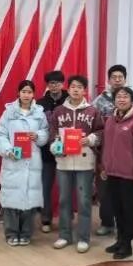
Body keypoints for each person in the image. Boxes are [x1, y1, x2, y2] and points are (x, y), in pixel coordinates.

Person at [49, 75, 104, 253]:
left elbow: (101, 131)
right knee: (64, 200)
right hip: (63, 162)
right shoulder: (58, 111)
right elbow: (52, 133)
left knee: (84, 201)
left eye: (79, 87)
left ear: (84, 90)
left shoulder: (92, 111)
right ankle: (65, 235)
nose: (75, 89)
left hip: (84, 162)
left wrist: (90, 139)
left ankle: (83, 238)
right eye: (73, 86)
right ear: (68, 88)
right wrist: (55, 147)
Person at [0, 80, 49, 246]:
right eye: (24, 91)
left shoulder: (39, 113)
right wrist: (8, 150)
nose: (26, 95)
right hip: (13, 161)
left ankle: (26, 233)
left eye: (29, 92)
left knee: (29, 199)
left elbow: (46, 132)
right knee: (11, 199)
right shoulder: (9, 112)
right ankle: (11, 233)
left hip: (32, 162)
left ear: (33, 94)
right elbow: (0, 135)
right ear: (18, 93)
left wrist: (38, 136)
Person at [92, 64, 133, 237]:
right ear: (108, 80)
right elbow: (93, 125)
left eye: (120, 77)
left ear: (125, 79)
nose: (117, 80)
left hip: (127, 157)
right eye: (113, 77)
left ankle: (125, 234)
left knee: (125, 199)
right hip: (106, 154)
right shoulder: (99, 101)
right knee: (105, 192)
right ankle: (107, 223)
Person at [100, 87, 133, 259]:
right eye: (118, 97)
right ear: (114, 100)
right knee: (116, 208)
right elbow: (106, 146)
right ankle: (119, 240)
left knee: (128, 210)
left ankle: (127, 244)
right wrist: (104, 167)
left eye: (125, 97)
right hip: (112, 173)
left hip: (129, 175)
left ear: (132, 100)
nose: (121, 99)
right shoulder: (110, 120)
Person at [36, 70, 69, 233]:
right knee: (45, 187)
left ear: (63, 84)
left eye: (57, 83)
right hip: (46, 153)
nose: (54, 86)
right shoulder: (40, 103)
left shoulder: (70, 100)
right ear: (47, 85)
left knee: (66, 188)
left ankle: (66, 219)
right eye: (51, 83)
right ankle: (46, 219)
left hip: (67, 152)